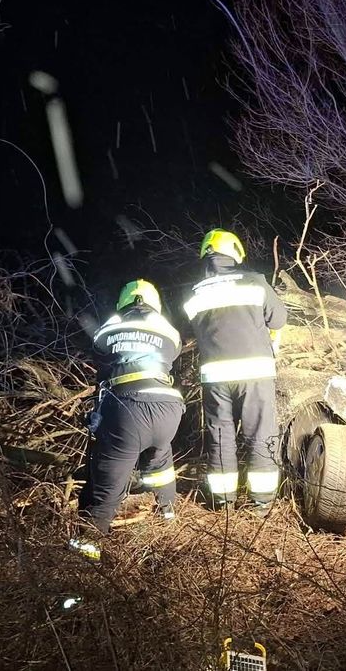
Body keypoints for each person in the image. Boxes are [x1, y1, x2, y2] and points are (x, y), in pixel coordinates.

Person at [72, 280, 184, 559]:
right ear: (155, 303)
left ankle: (88, 547)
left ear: (123, 303)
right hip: (169, 406)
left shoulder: (111, 324)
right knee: (160, 457)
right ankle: (168, 515)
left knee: (110, 475)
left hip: (129, 408)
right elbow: (174, 352)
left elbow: (98, 350)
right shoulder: (167, 328)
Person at [183, 229, 287, 514]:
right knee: (260, 434)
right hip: (255, 374)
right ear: (235, 252)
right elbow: (279, 319)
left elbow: (191, 330)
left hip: (215, 378)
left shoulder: (192, 294)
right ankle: (261, 505)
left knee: (220, 436)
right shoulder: (255, 282)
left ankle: (223, 504)